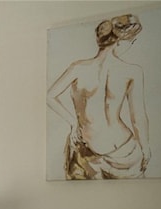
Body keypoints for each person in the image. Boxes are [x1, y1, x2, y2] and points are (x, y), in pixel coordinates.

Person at [47, 14, 150, 179]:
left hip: (89, 149)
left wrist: (73, 122)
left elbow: (50, 96)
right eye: (131, 41)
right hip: (120, 149)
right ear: (120, 41)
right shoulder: (132, 72)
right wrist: (145, 148)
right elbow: (137, 116)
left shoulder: (78, 68)